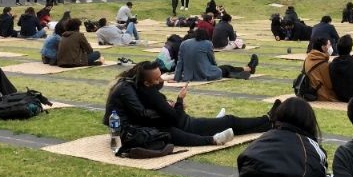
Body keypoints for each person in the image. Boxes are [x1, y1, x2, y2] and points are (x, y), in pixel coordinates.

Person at [104, 61, 272, 147]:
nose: (161, 80)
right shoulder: (130, 89)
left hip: (176, 121)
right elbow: (144, 114)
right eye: (157, 78)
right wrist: (176, 103)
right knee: (229, 120)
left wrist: (172, 106)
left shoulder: (139, 88)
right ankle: (267, 120)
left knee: (226, 121)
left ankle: (267, 120)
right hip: (175, 124)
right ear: (147, 82)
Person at [174, 29, 258, 82]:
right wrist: (215, 68)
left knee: (225, 69)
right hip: (203, 74)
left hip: (188, 76)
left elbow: (180, 63)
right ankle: (249, 68)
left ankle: (245, 70)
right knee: (225, 68)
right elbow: (212, 60)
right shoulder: (207, 43)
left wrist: (176, 78)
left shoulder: (184, 43)